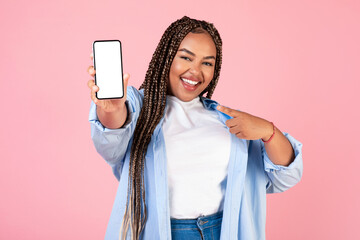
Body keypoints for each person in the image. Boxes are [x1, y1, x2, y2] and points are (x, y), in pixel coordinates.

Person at [87, 16, 303, 240]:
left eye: (207, 63)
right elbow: (111, 138)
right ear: (166, 57)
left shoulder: (227, 121)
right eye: (186, 58)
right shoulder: (140, 109)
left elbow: (286, 176)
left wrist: (269, 131)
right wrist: (111, 109)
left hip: (223, 231)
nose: (195, 71)